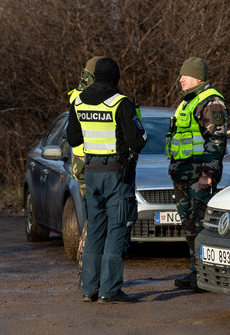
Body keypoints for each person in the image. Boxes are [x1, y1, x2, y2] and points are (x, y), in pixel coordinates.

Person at [67, 57, 147, 304]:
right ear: (115, 77)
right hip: (116, 175)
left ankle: (89, 289)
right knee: (116, 230)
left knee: (94, 232)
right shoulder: (120, 103)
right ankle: (109, 291)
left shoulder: (78, 101)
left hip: (91, 173)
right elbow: (137, 141)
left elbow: (72, 138)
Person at [166, 57, 228, 291]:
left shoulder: (212, 102)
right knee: (190, 226)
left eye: (185, 75)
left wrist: (207, 174)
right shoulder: (187, 102)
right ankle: (196, 272)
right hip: (182, 174)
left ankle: (206, 275)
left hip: (198, 176)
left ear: (198, 78)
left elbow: (216, 140)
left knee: (202, 227)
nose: (180, 79)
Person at [68, 56, 102, 197]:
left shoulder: (76, 94)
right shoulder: (100, 95)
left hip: (82, 159)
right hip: (93, 158)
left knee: (91, 206)